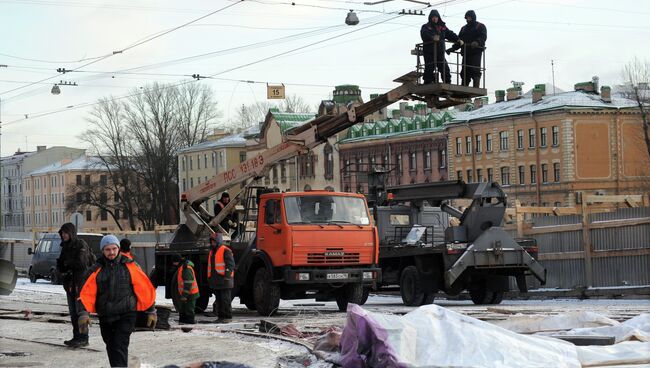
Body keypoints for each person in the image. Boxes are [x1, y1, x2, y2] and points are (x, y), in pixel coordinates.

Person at [78, 235, 157, 367]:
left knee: (120, 344)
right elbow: (86, 292)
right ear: (102, 251)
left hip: (126, 313)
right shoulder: (96, 269)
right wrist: (83, 313)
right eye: (107, 249)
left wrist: (151, 310)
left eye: (114, 249)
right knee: (111, 345)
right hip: (106, 314)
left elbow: (144, 289)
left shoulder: (130, 265)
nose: (111, 252)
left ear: (119, 248)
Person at [56, 222, 95, 348]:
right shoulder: (65, 247)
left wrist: (67, 263)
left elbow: (81, 263)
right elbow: (62, 264)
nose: (63, 235)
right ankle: (76, 336)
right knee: (73, 312)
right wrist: (61, 267)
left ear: (71, 233)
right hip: (70, 283)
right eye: (62, 233)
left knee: (81, 312)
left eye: (66, 232)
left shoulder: (80, 244)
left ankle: (84, 337)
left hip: (81, 283)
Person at [448, 10, 487, 87]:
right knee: (465, 71)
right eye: (467, 18)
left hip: (476, 52)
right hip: (466, 53)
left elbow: (483, 37)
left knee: (475, 70)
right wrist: (453, 48)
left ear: (473, 18)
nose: (468, 20)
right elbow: (460, 41)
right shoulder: (463, 29)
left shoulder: (480, 26)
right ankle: (464, 86)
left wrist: (477, 42)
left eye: (469, 18)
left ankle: (476, 86)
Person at [420, 9, 460, 84]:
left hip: (440, 52)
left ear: (438, 18)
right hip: (429, 52)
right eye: (433, 17)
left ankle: (447, 83)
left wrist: (458, 39)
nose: (435, 18)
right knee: (429, 67)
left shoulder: (442, 27)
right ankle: (427, 82)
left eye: (436, 17)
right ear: (430, 18)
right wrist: (432, 37)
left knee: (445, 68)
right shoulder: (426, 27)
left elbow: (449, 34)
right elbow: (424, 34)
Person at [207, 232, 235, 323]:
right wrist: (210, 278)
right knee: (219, 300)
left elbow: (230, 265)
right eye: (211, 242)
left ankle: (227, 317)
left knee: (225, 300)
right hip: (217, 280)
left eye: (213, 242)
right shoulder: (212, 252)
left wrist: (227, 276)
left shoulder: (225, 250)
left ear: (218, 241)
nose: (212, 244)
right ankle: (221, 317)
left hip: (224, 280)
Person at [172, 254, 200, 324]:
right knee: (184, 308)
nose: (173, 264)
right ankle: (184, 320)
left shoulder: (185, 268)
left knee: (189, 309)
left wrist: (184, 295)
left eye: (174, 262)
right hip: (187, 293)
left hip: (191, 293)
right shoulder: (182, 267)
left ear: (177, 261)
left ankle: (190, 322)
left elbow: (188, 283)